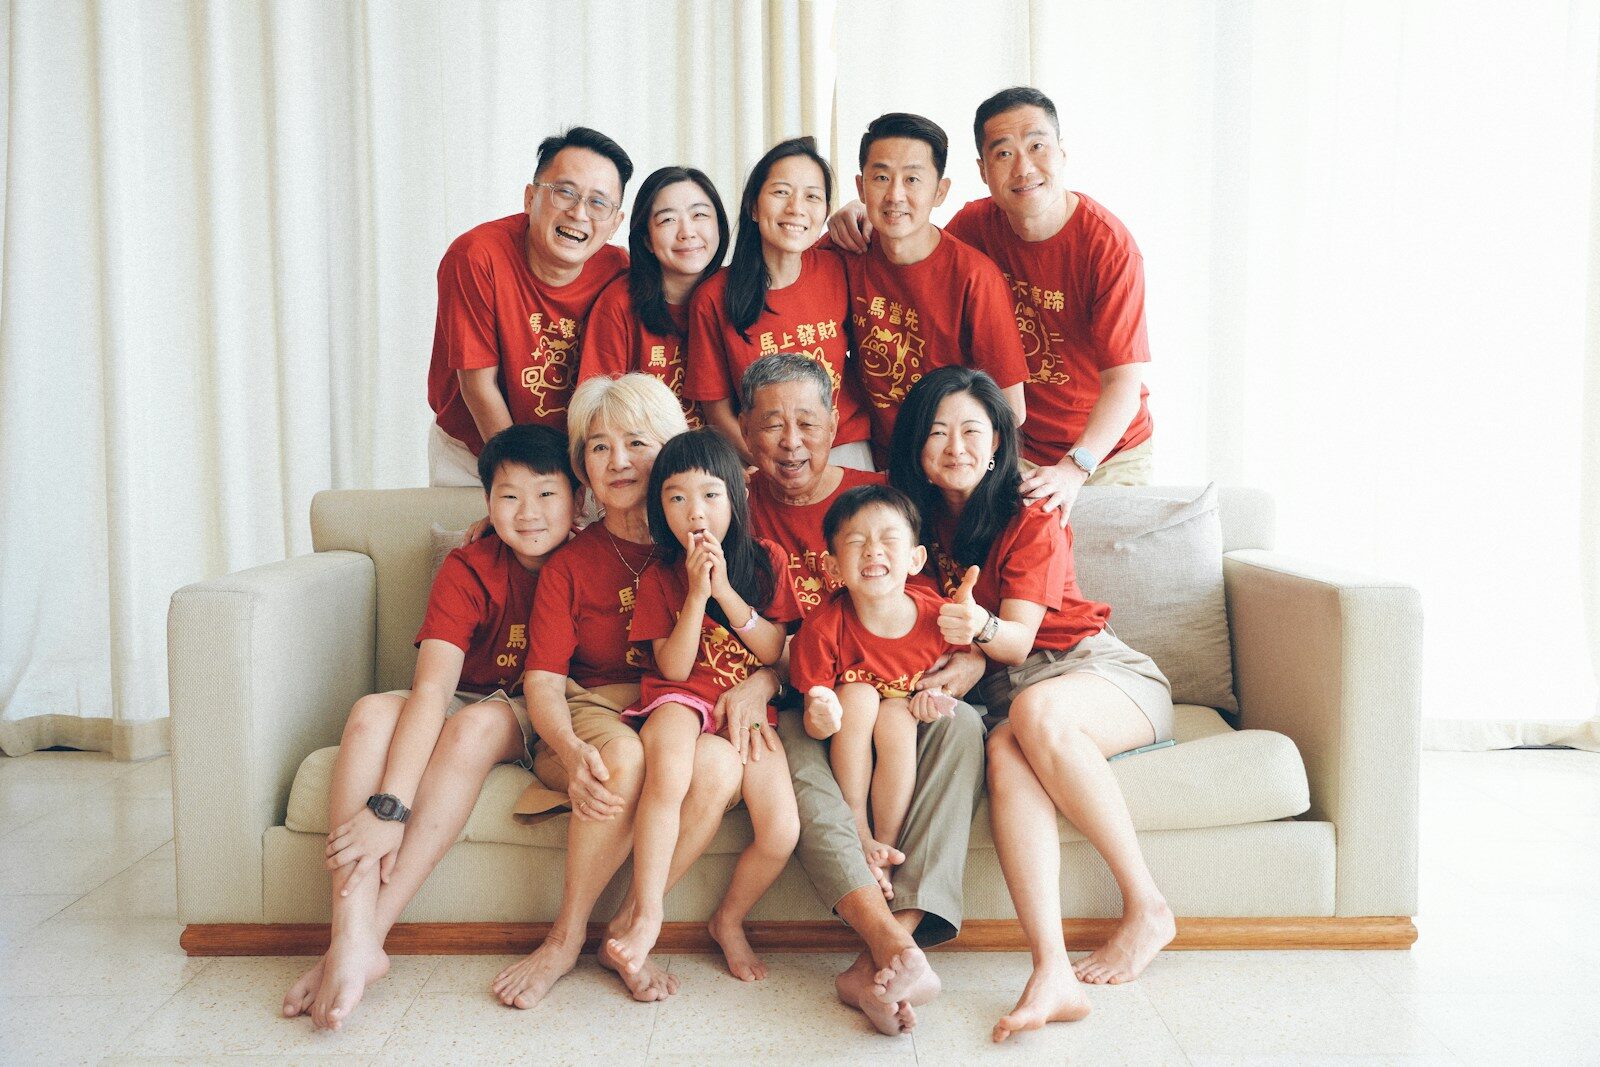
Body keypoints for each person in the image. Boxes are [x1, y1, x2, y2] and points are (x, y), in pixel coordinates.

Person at [887, 366, 1176, 1042]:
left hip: (1099, 673)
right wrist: (960, 659)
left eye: (971, 430)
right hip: (1014, 698)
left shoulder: (1032, 509)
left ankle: (1148, 905)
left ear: (997, 442)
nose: (955, 446)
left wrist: (977, 638)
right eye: (937, 431)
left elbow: (1015, 638)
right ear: (915, 447)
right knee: (1005, 748)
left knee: (1036, 715)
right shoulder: (913, 521)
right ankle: (1050, 970)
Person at [281, 425, 578, 1029]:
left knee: (473, 727)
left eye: (547, 495)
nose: (528, 513)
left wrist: (389, 811)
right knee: (369, 713)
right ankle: (352, 941)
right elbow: (433, 688)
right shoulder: (471, 565)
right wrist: (388, 808)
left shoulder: (589, 561)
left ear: (578, 500)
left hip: (527, 705)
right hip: (462, 691)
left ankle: (362, 941)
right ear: (487, 504)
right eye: (509, 496)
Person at [489, 374, 770, 1008]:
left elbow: (783, 635)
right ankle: (564, 938)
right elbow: (543, 681)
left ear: (670, 448)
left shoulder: (711, 543)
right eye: (598, 447)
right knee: (623, 758)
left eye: (636, 442)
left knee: (723, 765)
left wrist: (761, 680)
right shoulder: (570, 560)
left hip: (683, 711)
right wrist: (566, 743)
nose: (617, 461)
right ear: (581, 464)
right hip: (593, 713)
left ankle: (631, 927)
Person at [738, 353, 988, 1035]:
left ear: (834, 423)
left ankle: (879, 953)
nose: (791, 440)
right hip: (806, 693)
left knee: (964, 726)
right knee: (821, 743)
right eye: (773, 424)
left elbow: (952, 589)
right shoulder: (729, 500)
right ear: (744, 431)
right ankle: (893, 950)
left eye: (808, 422)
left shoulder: (882, 492)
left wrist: (964, 668)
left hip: (909, 693)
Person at [830, 87, 1156, 519]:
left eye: (1037, 146)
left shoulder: (1107, 248)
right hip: (1011, 442)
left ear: (1061, 153)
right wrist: (863, 208)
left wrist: (1074, 469)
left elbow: (1124, 386)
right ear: (983, 170)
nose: (1023, 167)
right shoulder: (975, 226)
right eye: (1003, 154)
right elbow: (916, 240)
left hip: (1105, 450)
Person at [606, 429, 801, 984]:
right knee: (668, 767)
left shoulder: (766, 561)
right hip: (678, 695)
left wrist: (722, 592)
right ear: (658, 507)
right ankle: (647, 911)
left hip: (746, 710)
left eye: (710, 495)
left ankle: (728, 919)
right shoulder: (658, 574)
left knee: (781, 832)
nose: (695, 512)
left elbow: (776, 653)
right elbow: (671, 667)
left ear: (737, 496)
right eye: (676, 497)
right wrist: (694, 595)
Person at [427, 127, 632, 486]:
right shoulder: (476, 256)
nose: (579, 213)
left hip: (575, 459)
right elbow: (478, 386)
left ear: (616, 223)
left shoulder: (621, 271)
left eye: (598, 202)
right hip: (477, 449)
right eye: (565, 193)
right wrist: (528, 483)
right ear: (530, 198)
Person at [789, 484, 959, 874]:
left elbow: (962, 669)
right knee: (860, 695)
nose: (873, 550)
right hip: (850, 722)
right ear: (832, 568)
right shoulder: (821, 629)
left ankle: (887, 840)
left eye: (888, 539)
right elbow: (814, 716)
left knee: (898, 717)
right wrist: (820, 717)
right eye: (856, 542)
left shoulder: (938, 616)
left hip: (904, 718)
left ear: (916, 559)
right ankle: (858, 828)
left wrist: (937, 696)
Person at [843, 112, 1028, 463]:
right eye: (881, 177)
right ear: (860, 186)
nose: (895, 195)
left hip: (947, 461)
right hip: (872, 455)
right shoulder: (846, 251)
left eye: (912, 179)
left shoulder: (974, 276)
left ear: (940, 192)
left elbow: (1011, 409)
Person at [685, 137, 874, 470]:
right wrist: (777, 464)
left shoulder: (841, 265)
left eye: (812, 196)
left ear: (826, 212)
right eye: (781, 192)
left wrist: (860, 208)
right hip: (765, 460)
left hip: (843, 448)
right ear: (754, 207)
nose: (796, 208)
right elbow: (717, 412)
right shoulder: (713, 297)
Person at [578, 166, 730, 428]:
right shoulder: (619, 304)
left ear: (719, 225)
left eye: (700, 215)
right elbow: (596, 410)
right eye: (667, 220)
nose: (687, 232)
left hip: (726, 458)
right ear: (647, 239)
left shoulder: (737, 292)